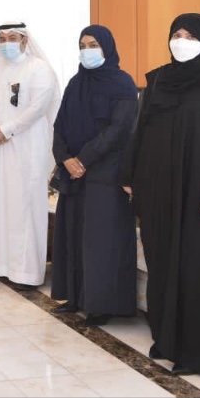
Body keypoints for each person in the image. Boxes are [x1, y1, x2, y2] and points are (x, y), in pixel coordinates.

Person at [121, 13, 200, 377]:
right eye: (176, 34)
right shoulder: (158, 80)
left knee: (196, 272)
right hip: (157, 191)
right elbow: (139, 130)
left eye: (191, 36)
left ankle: (194, 354)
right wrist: (130, 175)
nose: (181, 41)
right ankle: (166, 340)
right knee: (161, 266)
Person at [50, 25, 138, 326]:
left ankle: (101, 305)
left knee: (101, 240)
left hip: (106, 173)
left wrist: (83, 159)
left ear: (107, 47)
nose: (87, 51)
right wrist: (65, 158)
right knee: (73, 234)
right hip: (74, 174)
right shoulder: (76, 83)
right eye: (83, 45)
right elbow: (60, 125)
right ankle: (74, 297)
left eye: (93, 45)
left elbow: (119, 129)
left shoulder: (123, 84)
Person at [0, 21, 61, 289]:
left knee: (24, 207)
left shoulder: (39, 69)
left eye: (13, 37)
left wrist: (5, 130)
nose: (7, 43)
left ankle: (25, 272)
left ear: (24, 40)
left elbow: (38, 108)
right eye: (2, 38)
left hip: (26, 148)